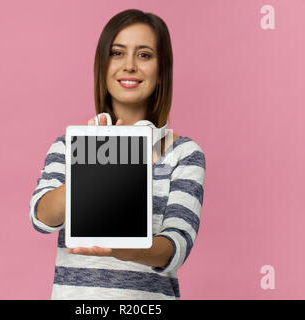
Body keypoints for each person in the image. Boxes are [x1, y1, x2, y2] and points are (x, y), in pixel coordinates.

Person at [29, 9, 206, 300]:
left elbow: (177, 247)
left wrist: (128, 249)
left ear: (162, 71)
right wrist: (94, 169)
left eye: (145, 55)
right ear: (103, 65)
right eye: (117, 53)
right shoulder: (69, 145)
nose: (130, 66)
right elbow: (41, 218)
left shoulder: (183, 154)